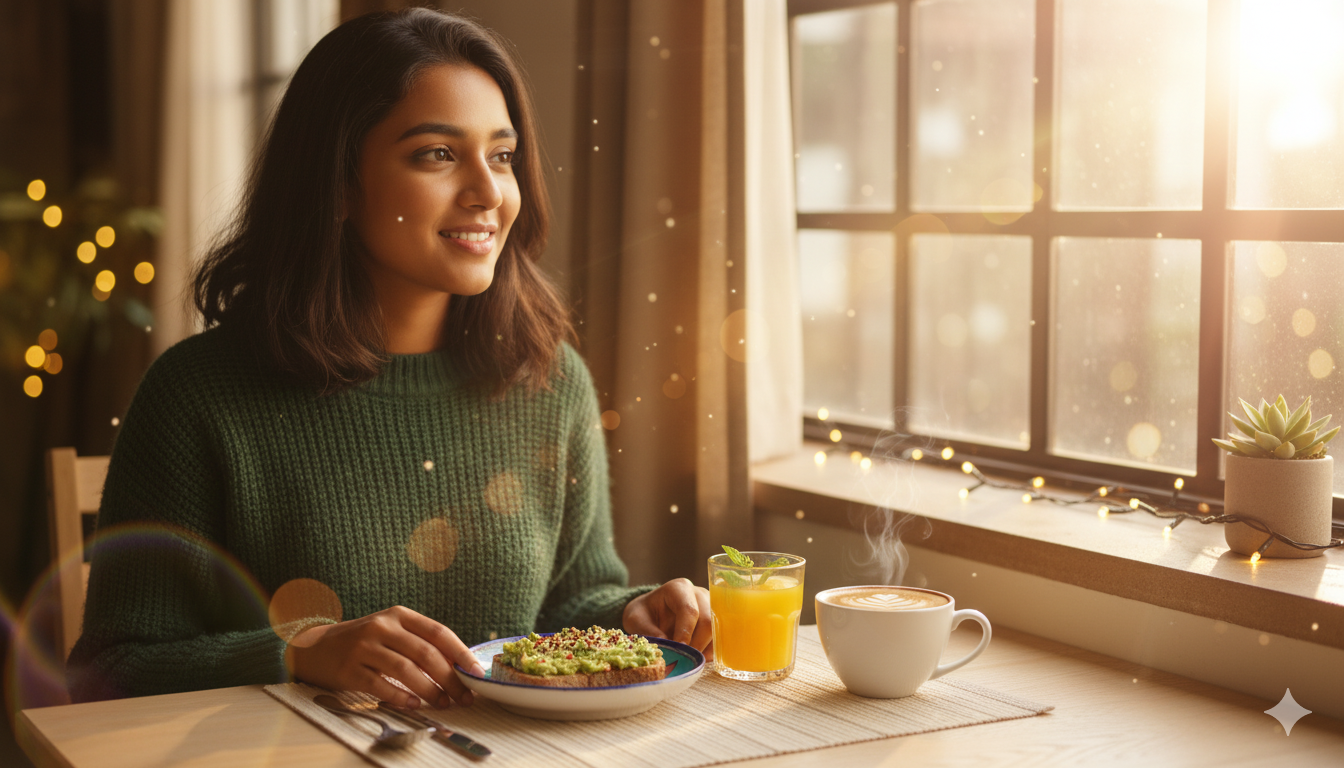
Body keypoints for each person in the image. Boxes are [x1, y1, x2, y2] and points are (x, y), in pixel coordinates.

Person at [68, 8, 711, 707]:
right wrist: (303, 652)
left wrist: (630, 614)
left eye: (501, 155)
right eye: (437, 154)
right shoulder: (196, 396)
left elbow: (565, 604)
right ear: (339, 183)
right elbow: (111, 669)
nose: (489, 193)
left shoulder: (550, 381)